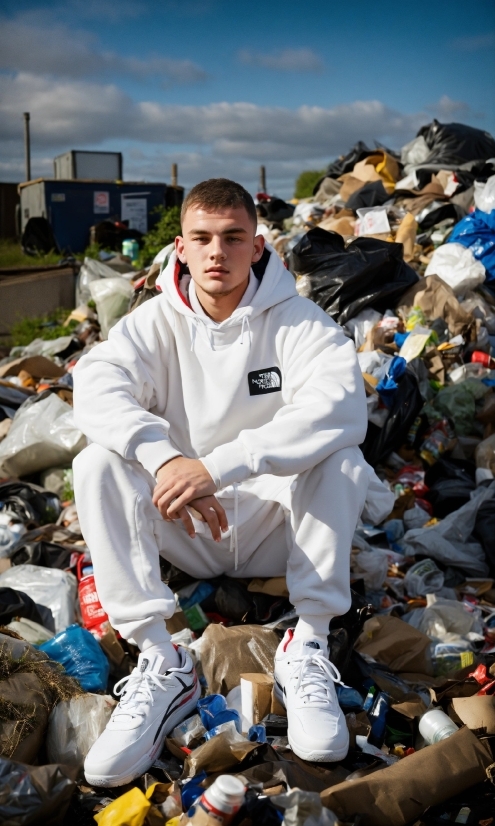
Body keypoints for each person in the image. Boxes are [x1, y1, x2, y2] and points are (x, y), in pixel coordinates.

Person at [73, 178, 393, 787]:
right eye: (202, 239)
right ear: (181, 248)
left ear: (258, 244)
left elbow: (340, 407)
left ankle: (308, 645)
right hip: (187, 524)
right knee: (96, 462)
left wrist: (218, 467)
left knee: (343, 458)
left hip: (279, 530)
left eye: (232, 238)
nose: (217, 252)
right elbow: (96, 385)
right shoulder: (153, 324)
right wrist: (168, 460)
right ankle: (163, 661)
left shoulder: (300, 322)